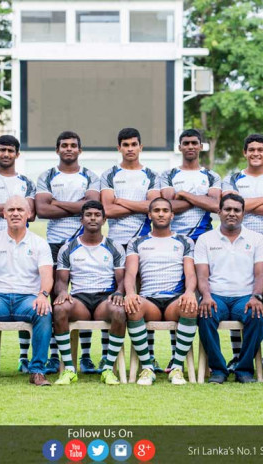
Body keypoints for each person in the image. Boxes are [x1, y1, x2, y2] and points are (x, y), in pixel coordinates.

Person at [0, 196, 54, 386]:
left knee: (44, 311)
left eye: (20, 210)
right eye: (11, 210)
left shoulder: (39, 243)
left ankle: (37, 371)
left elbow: (47, 275)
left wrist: (42, 295)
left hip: (28, 298)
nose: (15, 213)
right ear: (4, 214)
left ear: (29, 214)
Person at [221, 133, 263, 371]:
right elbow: (230, 207)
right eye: (251, 149)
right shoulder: (232, 178)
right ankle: (238, 356)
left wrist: (246, 204)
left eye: (260, 149)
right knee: (240, 297)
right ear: (244, 152)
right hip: (236, 246)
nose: (256, 153)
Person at [36, 131, 102, 375]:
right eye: (64, 145)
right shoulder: (47, 176)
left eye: (73, 145)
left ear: (80, 150)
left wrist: (58, 203)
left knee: (85, 296)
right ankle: (55, 356)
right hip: (54, 243)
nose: (68, 149)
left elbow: (92, 207)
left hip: (85, 242)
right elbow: (42, 210)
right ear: (57, 150)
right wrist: (77, 207)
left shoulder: (90, 176)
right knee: (58, 299)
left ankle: (85, 356)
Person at [100, 127, 163, 370]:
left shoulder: (151, 175)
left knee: (142, 301)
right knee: (115, 299)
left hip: (145, 243)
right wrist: (140, 206)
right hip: (116, 244)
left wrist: (122, 201)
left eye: (134, 144)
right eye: (125, 145)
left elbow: (154, 206)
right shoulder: (109, 175)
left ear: (140, 147)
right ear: (119, 148)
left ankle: (149, 357)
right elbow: (108, 210)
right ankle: (110, 359)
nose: (130, 148)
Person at [159, 129, 220, 371]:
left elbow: (216, 205)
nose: (190, 146)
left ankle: (205, 362)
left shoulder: (212, 175)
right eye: (186, 143)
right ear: (179, 146)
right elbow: (167, 206)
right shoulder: (168, 174)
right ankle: (177, 357)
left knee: (203, 299)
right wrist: (198, 198)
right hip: (175, 244)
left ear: (201, 146)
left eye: (195, 142)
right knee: (178, 297)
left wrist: (183, 193)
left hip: (204, 242)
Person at [0, 135, 36, 374]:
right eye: (2, 150)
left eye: (11, 150)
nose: (6, 154)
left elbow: (31, 212)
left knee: (25, 295)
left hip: (23, 246)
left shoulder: (26, 182)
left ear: (17, 154)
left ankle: (23, 358)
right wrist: (12, 208)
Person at [51, 201, 127, 386]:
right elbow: (61, 281)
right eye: (88, 215)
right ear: (81, 219)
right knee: (60, 309)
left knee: (119, 311)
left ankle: (108, 368)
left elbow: (122, 280)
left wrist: (119, 292)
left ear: (104, 219)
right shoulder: (68, 248)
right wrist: (62, 293)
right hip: (80, 299)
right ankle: (69, 369)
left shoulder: (114, 246)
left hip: (105, 298)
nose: (93, 218)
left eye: (97, 215)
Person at [124, 198, 198, 386]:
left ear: (172, 215)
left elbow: (190, 273)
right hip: (150, 301)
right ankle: (147, 367)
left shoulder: (184, 241)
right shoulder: (137, 242)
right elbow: (131, 273)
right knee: (133, 307)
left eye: (165, 210)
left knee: (189, 306)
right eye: (156, 210)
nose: (161, 213)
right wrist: (131, 293)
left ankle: (177, 367)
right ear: (149, 215)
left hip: (175, 300)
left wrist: (190, 292)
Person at [195, 193, 263, 384]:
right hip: (216, 296)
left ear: (244, 214)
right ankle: (218, 369)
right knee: (205, 314)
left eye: (237, 210)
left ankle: (243, 369)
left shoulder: (257, 239)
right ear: (219, 211)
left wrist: (256, 297)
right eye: (227, 209)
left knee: (258, 315)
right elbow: (202, 275)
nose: (232, 213)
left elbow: (261, 274)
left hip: (245, 297)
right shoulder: (205, 239)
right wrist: (206, 296)